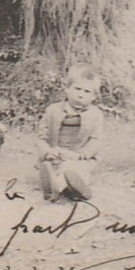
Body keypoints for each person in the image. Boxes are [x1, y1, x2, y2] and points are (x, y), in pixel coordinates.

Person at [37, 63, 103, 201]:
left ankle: (66, 188)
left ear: (94, 97)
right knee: (51, 166)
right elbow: (41, 137)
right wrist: (48, 152)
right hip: (56, 153)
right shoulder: (52, 110)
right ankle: (54, 185)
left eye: (87, 92)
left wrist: (79, 155)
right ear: (67, 89)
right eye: (77, 89)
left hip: (79, 157)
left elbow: (95, 140)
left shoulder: (96, 114)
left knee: (74, 169)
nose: (80, 95)